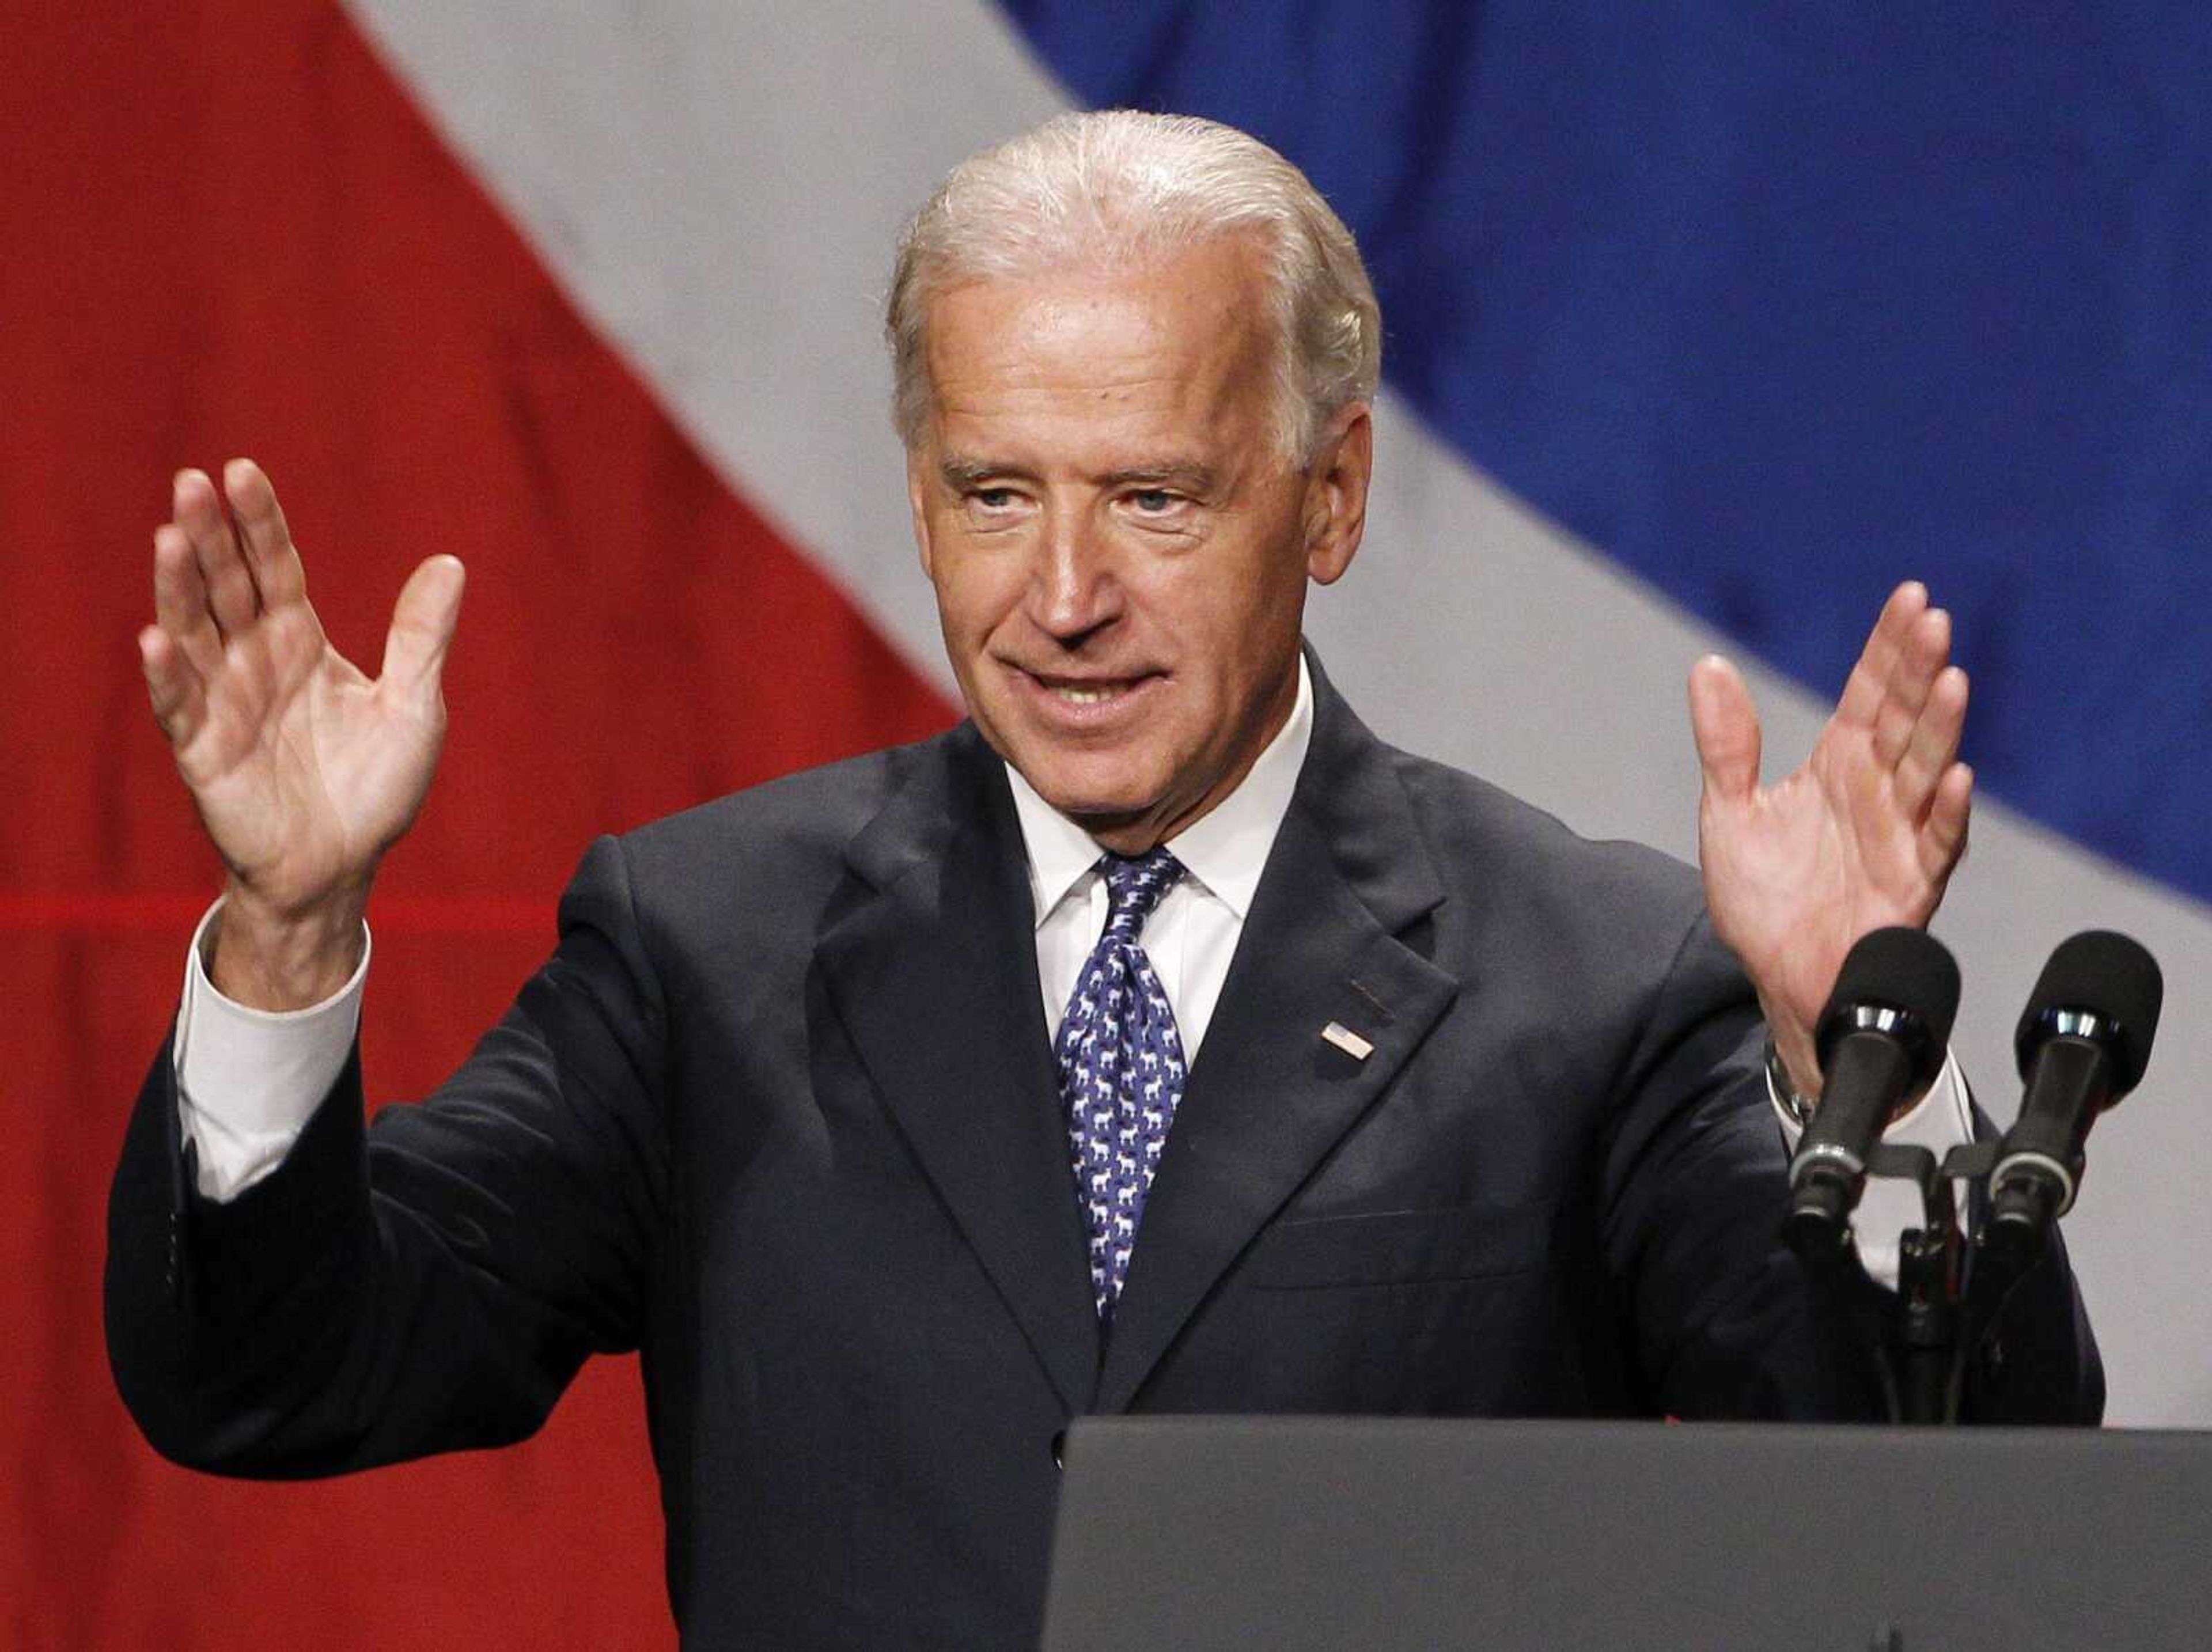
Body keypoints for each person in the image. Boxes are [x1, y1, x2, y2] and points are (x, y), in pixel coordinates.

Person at [108, 112, 2099, 1648]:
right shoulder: (705, 946)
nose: (1064, 600)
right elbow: (279, 1375)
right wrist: (288, 931)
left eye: (1153, 495)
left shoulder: (1585, 976)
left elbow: (1953, 1533)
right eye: (997, 496)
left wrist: (1848, 1066)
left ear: (1328, 497)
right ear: (920, 496)